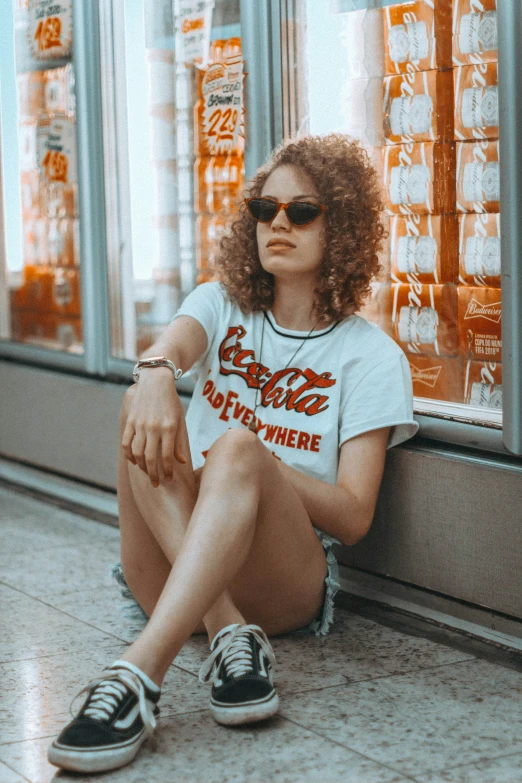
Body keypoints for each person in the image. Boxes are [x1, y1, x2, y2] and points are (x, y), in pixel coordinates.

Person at [48, 133, 418, 774]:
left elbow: (355, 517)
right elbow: (173, 346)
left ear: (345, 227)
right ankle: (225, 632)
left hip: (282, 583)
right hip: (166, 563)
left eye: (302, 211)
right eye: (263, 210)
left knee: (239, 449)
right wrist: (158, 373)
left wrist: (253, 462)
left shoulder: (371, 357)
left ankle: (139, 673)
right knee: (140, 403)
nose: (278, 223)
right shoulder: (220, 305)